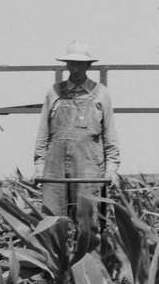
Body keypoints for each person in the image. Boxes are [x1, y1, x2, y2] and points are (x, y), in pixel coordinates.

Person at [33, 43, 121, 219]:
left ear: (88, 65)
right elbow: (43, 133)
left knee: (88, 219)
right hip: (54, 166)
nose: (76, 68)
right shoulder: (54, 92)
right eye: (72, 63)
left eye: (80, 64)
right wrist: (39, 167)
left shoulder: (101, 93)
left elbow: (110, 135)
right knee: (52, 219)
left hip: (89, 166)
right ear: (66, 65)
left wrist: (111, 169)